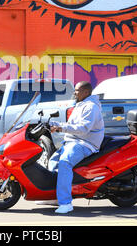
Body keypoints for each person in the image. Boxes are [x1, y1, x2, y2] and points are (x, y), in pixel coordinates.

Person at [47, 81, 104, 214]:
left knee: (65, 163)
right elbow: (72, 124)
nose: (75, 92)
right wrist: (51, 123)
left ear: (85, 92)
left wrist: (61, 128)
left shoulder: (91, 107)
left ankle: (66, 203)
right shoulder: (80, 104)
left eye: (77, 90)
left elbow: (83, 128)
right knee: (52, 163)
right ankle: (55, 197)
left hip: (85, 143)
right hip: (73, 142)